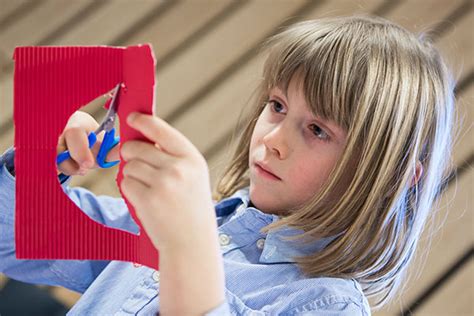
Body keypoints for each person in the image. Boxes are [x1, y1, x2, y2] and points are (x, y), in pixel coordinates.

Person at [0, 14, 457, 315]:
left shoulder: (326, 304)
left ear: (389, 177)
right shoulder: (180, 225)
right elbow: (13, 240)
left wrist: (186, 246)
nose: (273, 140)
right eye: (277, 106)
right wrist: (38, 165)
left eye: (318, 130)